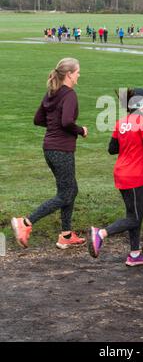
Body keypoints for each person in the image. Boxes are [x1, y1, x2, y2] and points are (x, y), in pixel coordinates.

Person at [11, 58, 88, 249]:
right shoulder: (69, 94)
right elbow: (67, 122)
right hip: (61, 150)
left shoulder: (51, 93)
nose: (79, 75)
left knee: (71, 190)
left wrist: (54, 125)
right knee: (65, 194)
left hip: (50, 149)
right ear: (69, 74)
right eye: (77, 71)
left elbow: (38, 119)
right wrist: (81, 130)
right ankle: (26, 222)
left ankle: (66, 235)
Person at [87, 88, 143, 267]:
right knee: (135, 218)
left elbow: (112, 149)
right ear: (141, 105)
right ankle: (101, 234)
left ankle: (135, 254)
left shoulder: (121, 122)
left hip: (121, 173)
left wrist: (130, 142)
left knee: (133, 214)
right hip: (134, 176)